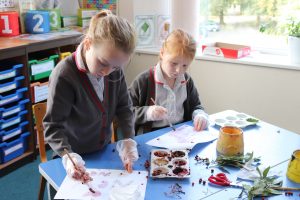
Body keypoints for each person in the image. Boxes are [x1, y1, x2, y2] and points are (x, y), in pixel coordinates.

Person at [43, 10, 138, 182]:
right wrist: (69, 157)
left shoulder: (113, 67)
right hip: (72, 157)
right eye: (103, 63)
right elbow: (52, 126)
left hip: (102, 151)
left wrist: (129, 139)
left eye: (116, 67)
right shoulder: (64, 75)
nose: (108, 72)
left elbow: (124, 108)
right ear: (88, 44)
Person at [129, 29, 209, 134]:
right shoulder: (143, 81)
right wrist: (147, 113)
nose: (178, 70)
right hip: (150, 135)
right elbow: (126, 112)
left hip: (181, 132)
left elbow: (196, 105)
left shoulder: (187, 81)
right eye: (174, 63)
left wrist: (200, 115)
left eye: (185, 65)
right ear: (162, 53)